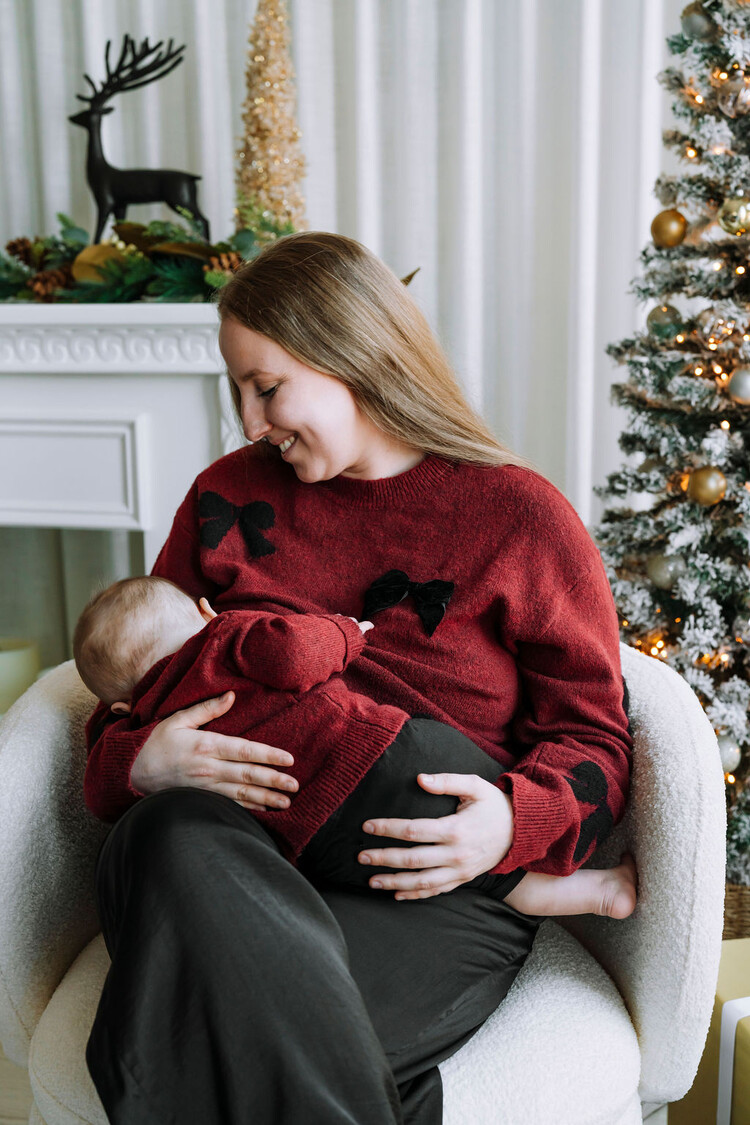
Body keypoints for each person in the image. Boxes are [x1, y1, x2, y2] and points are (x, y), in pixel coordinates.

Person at [82, 230, 634, 1125]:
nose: (251, 422)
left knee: (182, 1038)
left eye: (268, 388)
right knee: (167, 833)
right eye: (238, 392)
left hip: (431, 883)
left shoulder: (519, 518)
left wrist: (508, 823)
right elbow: (131, 675)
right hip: (228, 860)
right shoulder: (226, 501)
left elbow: (597, 743)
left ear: (355, 357)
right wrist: (140, 764)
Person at [75, 573, 637, 919]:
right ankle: (593, 890)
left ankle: (581, 889)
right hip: (369, 758)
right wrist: (344, 631)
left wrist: (133, 756)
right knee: (457, 838)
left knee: (432, 870)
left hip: (306, 844)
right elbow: (294, 653)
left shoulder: (139, 721)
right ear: (205, 612)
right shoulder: (226, 637)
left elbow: (98, 794)